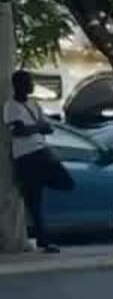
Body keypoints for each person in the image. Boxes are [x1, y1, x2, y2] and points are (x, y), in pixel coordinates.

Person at [5, 70, 58, 253]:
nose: (32, 85)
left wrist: (35, 128)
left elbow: (48, 128)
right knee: (35, 200)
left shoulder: (33, 103)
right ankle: (43, 240)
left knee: (62, 182)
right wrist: (38, 127)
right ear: (18, 85)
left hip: (39, 150)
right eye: (28, 81)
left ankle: (34, 184)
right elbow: (18, 131)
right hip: (25, 156)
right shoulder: (11, 107)